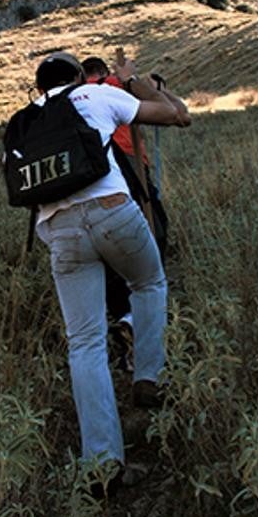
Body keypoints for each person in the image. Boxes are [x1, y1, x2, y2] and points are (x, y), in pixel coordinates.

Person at [28, 51, 191, 493]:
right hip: (112, 211)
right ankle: (148, 376)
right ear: (79, 77)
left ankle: (102, 468)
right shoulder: (96, 95)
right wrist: (130, 79)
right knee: (149, 281)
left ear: (40, 87)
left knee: (84, 344)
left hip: (58, 231)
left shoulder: (26, 117)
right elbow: (175, 115)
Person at [80, 56, 172, 371]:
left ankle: (123, 320)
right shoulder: (116, 86)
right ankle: (148, 334)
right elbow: (171, 110)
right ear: (104, 71)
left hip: (93, 178)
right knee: (153, 236)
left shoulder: (75, 96)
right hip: (131, 166)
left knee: (109, 259)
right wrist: (140, 81)